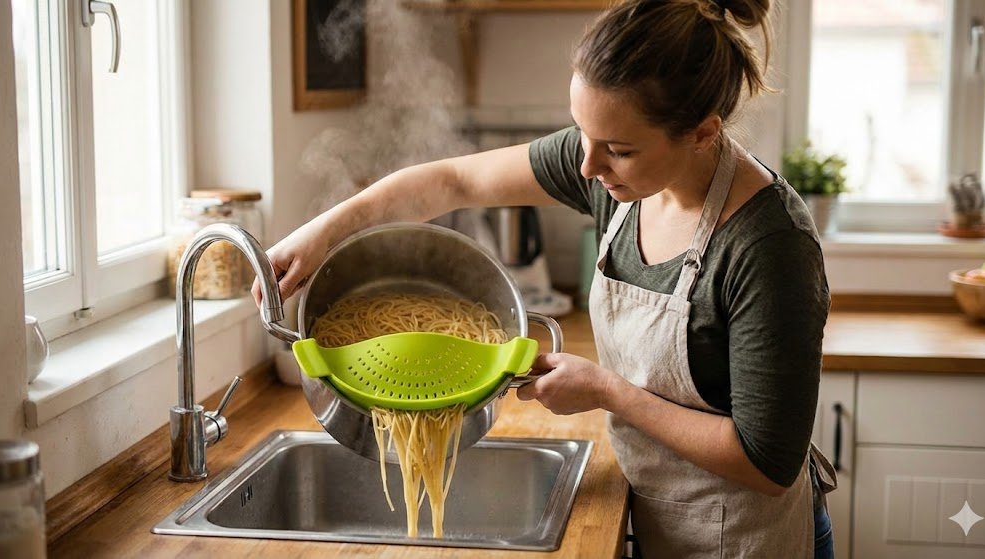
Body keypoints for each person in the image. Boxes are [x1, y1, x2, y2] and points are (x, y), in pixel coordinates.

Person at [256, 0, 835, 556]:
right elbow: (455, 181)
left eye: (618, 149)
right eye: (581, 132)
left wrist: (607, 391)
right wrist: (323, 231)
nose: (587, 166)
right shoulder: (615, 170)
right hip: (658, 515)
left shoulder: (768, 247)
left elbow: (765, 463)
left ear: (704, 133)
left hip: (741, 540)